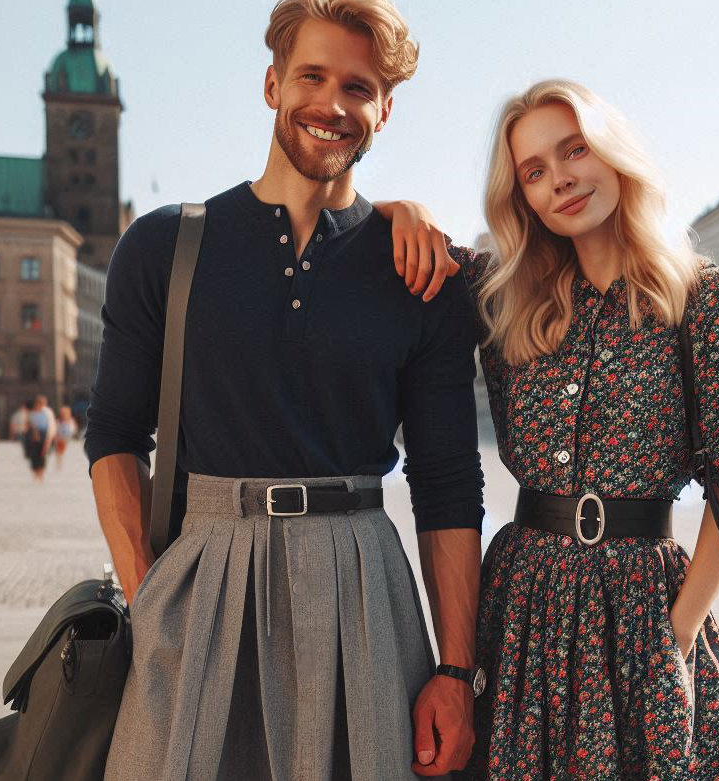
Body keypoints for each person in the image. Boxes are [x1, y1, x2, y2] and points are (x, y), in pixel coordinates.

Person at [86, 2, 482, 777]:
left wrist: (457, 671)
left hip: (360, 584)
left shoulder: (423, 277)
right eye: (312, 75)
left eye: (358, 88)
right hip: (200, 582)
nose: (332, 104)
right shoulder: (163, 245)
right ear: (272, 83)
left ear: (384, 110)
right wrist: (148, 597)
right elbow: (113, 434)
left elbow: (446, 484)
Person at [379, 79, 719, 778]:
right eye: (533, 171)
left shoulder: (706, 298)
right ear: (520, 197)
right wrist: (401, 208)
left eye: (574, 150)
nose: (558, 179)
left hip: (646, 608)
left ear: (613, 152)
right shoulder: (502, 298)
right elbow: (395, 243)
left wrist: (675, 636)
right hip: (524, 603)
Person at [20, 395, 55, 481]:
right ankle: (35, 475)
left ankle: (41, 475)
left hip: (44, 436)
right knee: (34, 456)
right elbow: (27, 426)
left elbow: (51, 427)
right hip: (33, 437)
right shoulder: (31, 413)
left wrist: (48, 441)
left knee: (42, 456)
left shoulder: (47, 412)